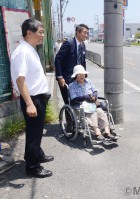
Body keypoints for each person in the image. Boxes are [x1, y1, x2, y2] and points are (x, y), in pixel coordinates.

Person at [10, 19, 53, 178]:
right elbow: (20, 80)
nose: (43, 35)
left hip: (38, 99)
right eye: (40, 32)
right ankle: (32, 166)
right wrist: (29, 104)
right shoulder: (22, 52)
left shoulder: (30, 49)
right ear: (29, 33)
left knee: (37, 131)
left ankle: (38, 154)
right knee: (34, 134)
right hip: (32, 100)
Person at [69, 65, 117, 140]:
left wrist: (94, 96)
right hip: (81, 106)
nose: (82, 75)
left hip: (92, 104)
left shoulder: (89, 81)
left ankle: (107, 132)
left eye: (83, 74)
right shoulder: (72, 85)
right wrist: (84, 97)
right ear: (75, 75)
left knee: (101, 111)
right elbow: (73, 98)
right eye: (79, 74)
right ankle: (97, 132)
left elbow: (95, 91)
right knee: (92, 113)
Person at [55, 24, 89, 104]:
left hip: (78, 78)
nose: (86, 35)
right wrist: (60, 77)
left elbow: (83, 62)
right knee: (69, 102)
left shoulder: (82, 45)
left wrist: (85, 76)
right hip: (67, 79)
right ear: (78, 32)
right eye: (85, 32)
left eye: (87, 33)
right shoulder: (69, 43)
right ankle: (68, 116)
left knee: (79, 102)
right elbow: (58, 59)